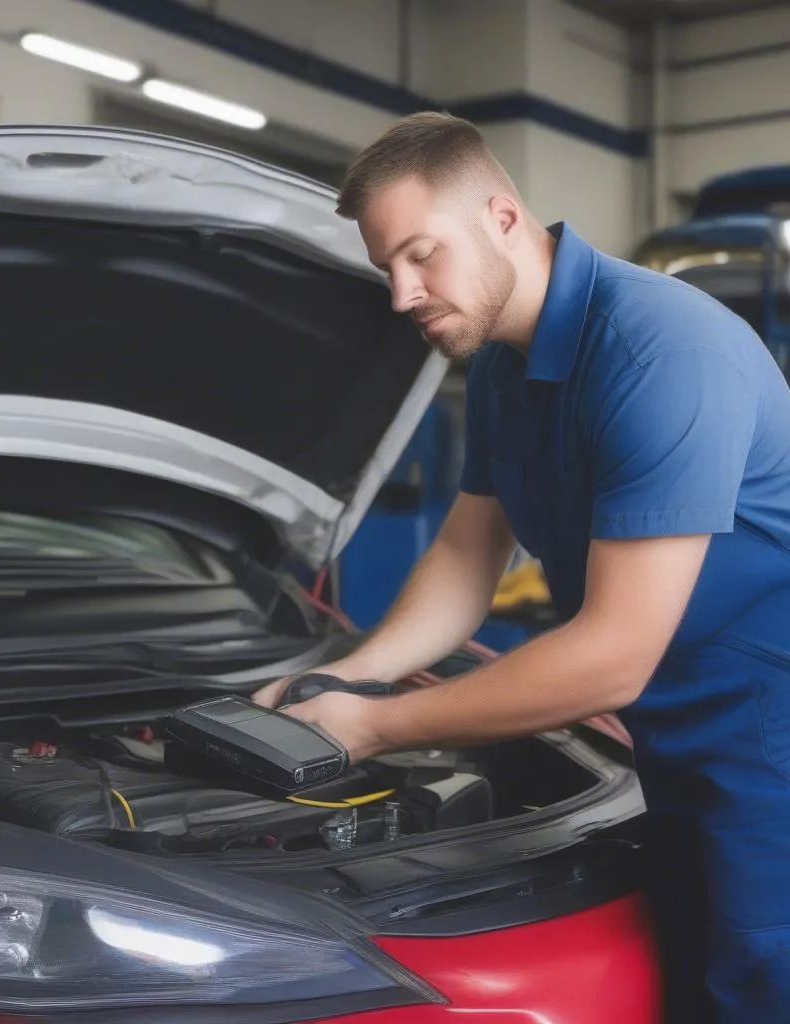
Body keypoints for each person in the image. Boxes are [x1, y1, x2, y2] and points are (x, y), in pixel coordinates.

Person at [254, 112, 790, 1024]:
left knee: (762, 988)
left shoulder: (657, 349)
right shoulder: (506, 366)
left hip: (769, 738)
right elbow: (468, 558)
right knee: (695, 986)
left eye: (421, 255)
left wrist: (379, 728)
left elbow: (614, 655)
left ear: (503, 217)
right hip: (672, 735)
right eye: (387, 267)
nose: (401, 293)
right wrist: (347, 676)